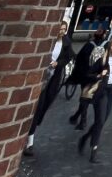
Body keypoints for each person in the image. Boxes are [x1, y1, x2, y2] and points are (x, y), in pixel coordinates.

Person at [23, 21, 75, 157]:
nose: (61, 32)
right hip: (38, 76)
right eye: (60, 29)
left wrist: (58, 63)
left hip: (50, 80)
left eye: (64, 29)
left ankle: (30, 142)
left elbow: (69, 56)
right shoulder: (48, 40)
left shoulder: (66, 42)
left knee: (40, 108)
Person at [78, 37, 112, 163]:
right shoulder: (103, 60)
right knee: (99, 121)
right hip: (102, 92)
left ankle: (85, 138)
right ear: (109, 47)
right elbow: (88, 74)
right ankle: (94, 150)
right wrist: (99, 75)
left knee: (102, 121)